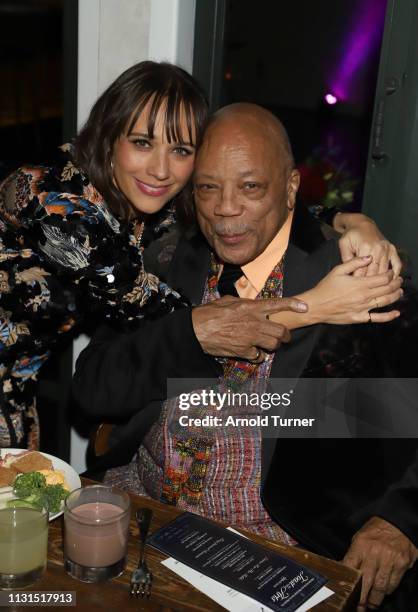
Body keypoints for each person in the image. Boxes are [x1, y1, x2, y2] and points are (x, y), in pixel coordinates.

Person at [73, 103, 417, 611]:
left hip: (283, 548)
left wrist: (399, 521)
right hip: (148, 514)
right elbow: (93, 386)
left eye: (251, 188)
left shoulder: (359, 277)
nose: (224, 209)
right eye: (208, 188)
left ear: (292, 189)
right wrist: (188, 336)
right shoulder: (166, 261)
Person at [0, 61, 401, 451]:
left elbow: (267, 200)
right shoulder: (53, 205)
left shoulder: (149, 207)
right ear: (109, 139)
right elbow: (178, 322)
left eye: (180, 149)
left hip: (19, 382)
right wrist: (314, 306)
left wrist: (349, 220)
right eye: (142, 142)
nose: (160, 169)